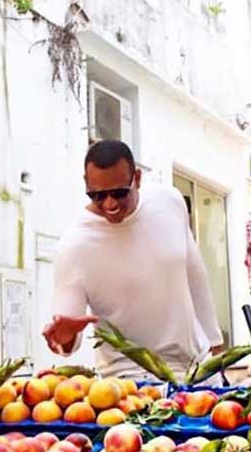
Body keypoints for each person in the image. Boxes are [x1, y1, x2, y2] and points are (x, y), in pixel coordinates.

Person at [42, 140, 223, 382]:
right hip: (131, 383)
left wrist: (214, 343)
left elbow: (194, 274)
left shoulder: (169, 201)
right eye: (97, 195)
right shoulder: (73, 246)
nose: (110, 204)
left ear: (137, 178)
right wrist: (63, 338)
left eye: (119, 193)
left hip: (198, 369)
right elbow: (66, 335)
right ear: (86, 185)